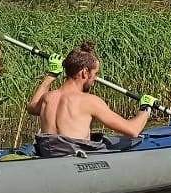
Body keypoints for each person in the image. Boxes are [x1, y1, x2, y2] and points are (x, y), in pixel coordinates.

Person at [27, 41, 156, 158]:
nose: (95, 79)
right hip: (75, 158)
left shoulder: (48, 97)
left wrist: (51, 75)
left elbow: (32, 107)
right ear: (84, 72)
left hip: (48, 153)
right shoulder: (90, 101)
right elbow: (132, 130)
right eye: (95, 74)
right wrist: (145, 108)